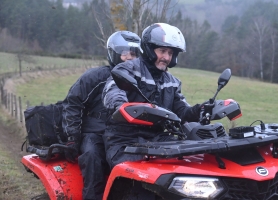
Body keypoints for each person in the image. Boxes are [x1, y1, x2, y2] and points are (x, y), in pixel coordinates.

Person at [102, 23, 208, 169]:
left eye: (171, 53)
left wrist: (201, 109)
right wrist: (120, 105)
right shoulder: (128, 69)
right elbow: (113, 90)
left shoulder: (172, 82)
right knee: (136, 174)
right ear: (149, 50)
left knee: (188, 163)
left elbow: (182, 111)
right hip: (124, 139)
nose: (166, 57)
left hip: (156, 138)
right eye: (162, 51)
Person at [62, 31, 141, 200]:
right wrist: (72, 137)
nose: (129, 58)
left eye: (133, 54)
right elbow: (73, 104)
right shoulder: (96, 77)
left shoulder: (141, 82)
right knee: (92, 157)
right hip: (95, 133)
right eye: (124, 53)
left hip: (126, 135)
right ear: (114, 53)